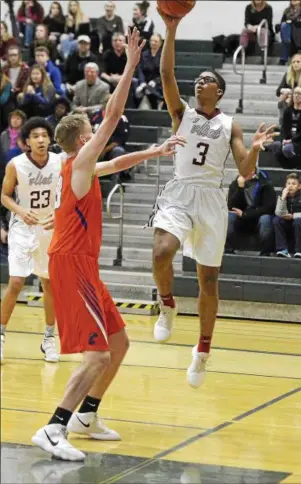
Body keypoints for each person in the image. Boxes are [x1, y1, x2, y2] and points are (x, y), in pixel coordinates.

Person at [31, 28, 185, 461]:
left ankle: (86, 416)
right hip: (71, 264)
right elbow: (114, 116)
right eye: (90, 129)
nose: (95, 130)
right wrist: (132, 66)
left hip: (83, 264)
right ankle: (54, 426)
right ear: (83, 140)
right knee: (97, 355)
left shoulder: (79, 167)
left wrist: (154, 152)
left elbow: (115, 161)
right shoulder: (78, 161)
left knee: (118, 344)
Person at [149, 9, 277, 389]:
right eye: (199, 77)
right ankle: (167, 303)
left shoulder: (230, 124)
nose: (199, 80)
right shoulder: (182, 113)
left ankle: (203, 350)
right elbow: (166, 75)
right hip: (179, 190)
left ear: (217, 91)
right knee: (161, 252)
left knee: (208, 281)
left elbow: (245, 170)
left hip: (210, 200)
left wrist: (254, 148)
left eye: (206, 79)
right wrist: (171, 31)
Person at [0, 118, 62, 364]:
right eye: (35, 136)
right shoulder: (15, 165)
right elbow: (4, 196)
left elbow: (69, 193)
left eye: (44, 135)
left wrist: (59, 214)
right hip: (22, 227)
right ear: (26, 142)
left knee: (49, 284)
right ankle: (1, 335)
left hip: (48, 227)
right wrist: (20, 210)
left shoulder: (60, 161)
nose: (40, 140)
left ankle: (48, 339)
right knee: (16, 282)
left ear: (50, 139)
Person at [225, 170, 276, 255]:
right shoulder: (235, 184)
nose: (247, 172)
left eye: (250, 169)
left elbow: (268, 208)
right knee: (229, 216)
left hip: (257, 218)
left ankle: (265, 253)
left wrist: (245, 214)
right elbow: (231, 206)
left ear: (254, 171)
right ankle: (228, 250)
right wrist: (240, 188)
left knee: (266, 219)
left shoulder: (265, 184)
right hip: (241, 219)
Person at [268, 86, 301, 169]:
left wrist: (292, 140)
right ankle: (289, 166)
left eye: (299, 94)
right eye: (295, 93)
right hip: (288, 140)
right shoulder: (288, 110)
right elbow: (284, 128)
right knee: (275, 146)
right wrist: (284, 140)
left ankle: (299, 164)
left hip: (300, 141)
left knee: (287, 149)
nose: (296, 95)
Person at [273, 172, 301, 258]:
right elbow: (278, 213)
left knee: (298, 221)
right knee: (276, 220)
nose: (290, 186)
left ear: (299, 186)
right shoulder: (282, 196)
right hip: (288, 224)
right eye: (288, 183)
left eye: (293, 184)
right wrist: (283, 198)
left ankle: (300, 251)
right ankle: (282, 249)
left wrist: (294, 216)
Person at [101, 32, 137, 108]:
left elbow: (133, 71)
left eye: (120, 40)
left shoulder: (129, 54)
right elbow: (102, 72)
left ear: (124, 42)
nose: (117, 42)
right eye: (115, 40)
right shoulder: (107, 54)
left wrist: (120, 79)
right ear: (111, 42)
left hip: (125, 80)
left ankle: (129, 109)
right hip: (110, 81)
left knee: (131, 83)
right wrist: (111, 79)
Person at [278, 0, 301, 65]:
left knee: (286, 28)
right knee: (285, 26)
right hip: (288, 33)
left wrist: (289, 23)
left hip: (300, 32)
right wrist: (288, 23)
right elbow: (282, 22)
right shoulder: (287, 10)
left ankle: (283, 59)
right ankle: (287, 41)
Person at [136, 33, 163, 109]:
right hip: (145, 82)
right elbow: (140, 69)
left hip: (158, 83)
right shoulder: (144, 54)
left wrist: (155, 81)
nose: (153, 43)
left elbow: (164, 73)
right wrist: (142, 82)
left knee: (151, 91)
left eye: (156, 41)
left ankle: (158, 104)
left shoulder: (164, 55)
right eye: (152, 41)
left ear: (160, 43)